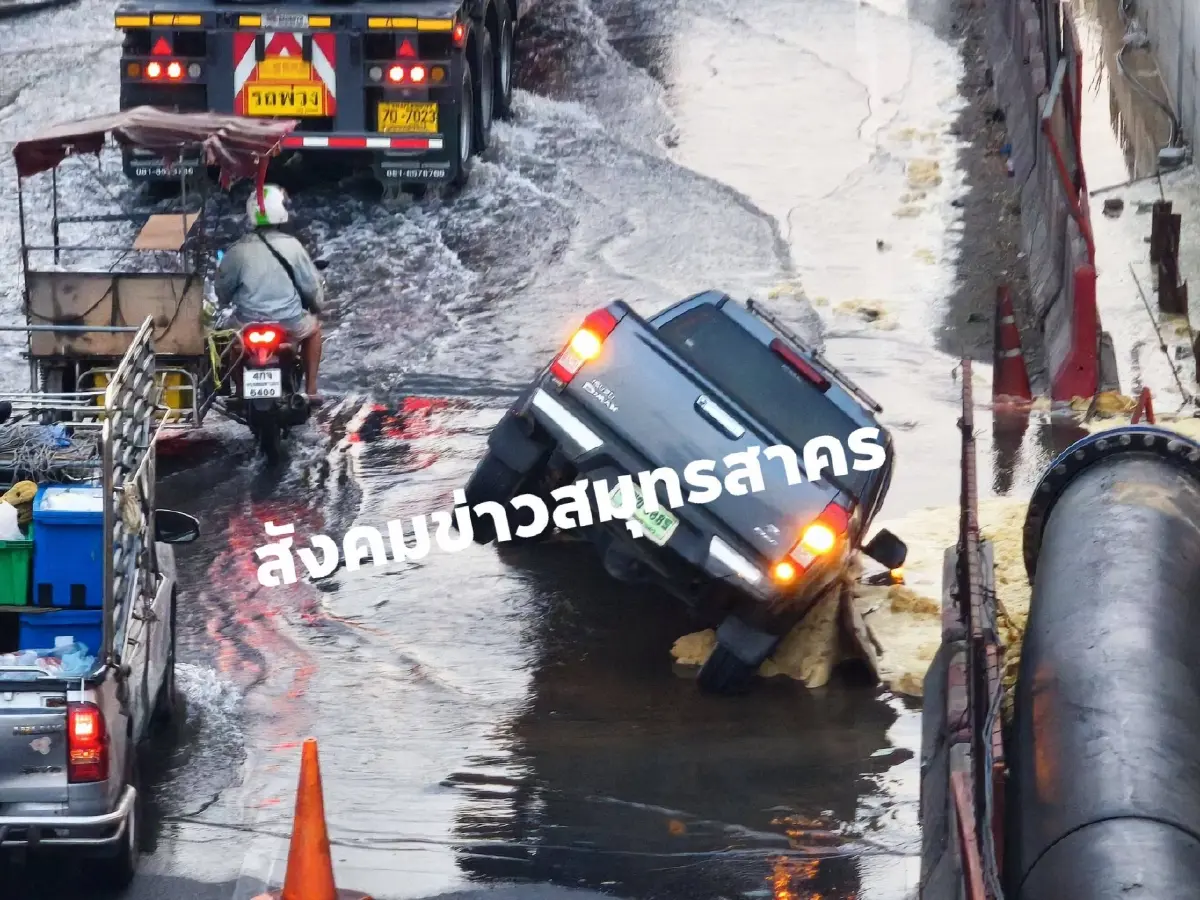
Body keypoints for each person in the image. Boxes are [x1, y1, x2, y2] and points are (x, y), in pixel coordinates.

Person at [215, 184, 325, 404]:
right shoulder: (293, 246)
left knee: (232, 343)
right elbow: (311, 287)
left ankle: (239, 392)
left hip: (248, 323)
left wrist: (226, 298)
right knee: (314, 332)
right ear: (281, 212)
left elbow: (222, 291)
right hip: (289, 322)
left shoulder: (238, 250)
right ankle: (311, 391)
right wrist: (317, 306)